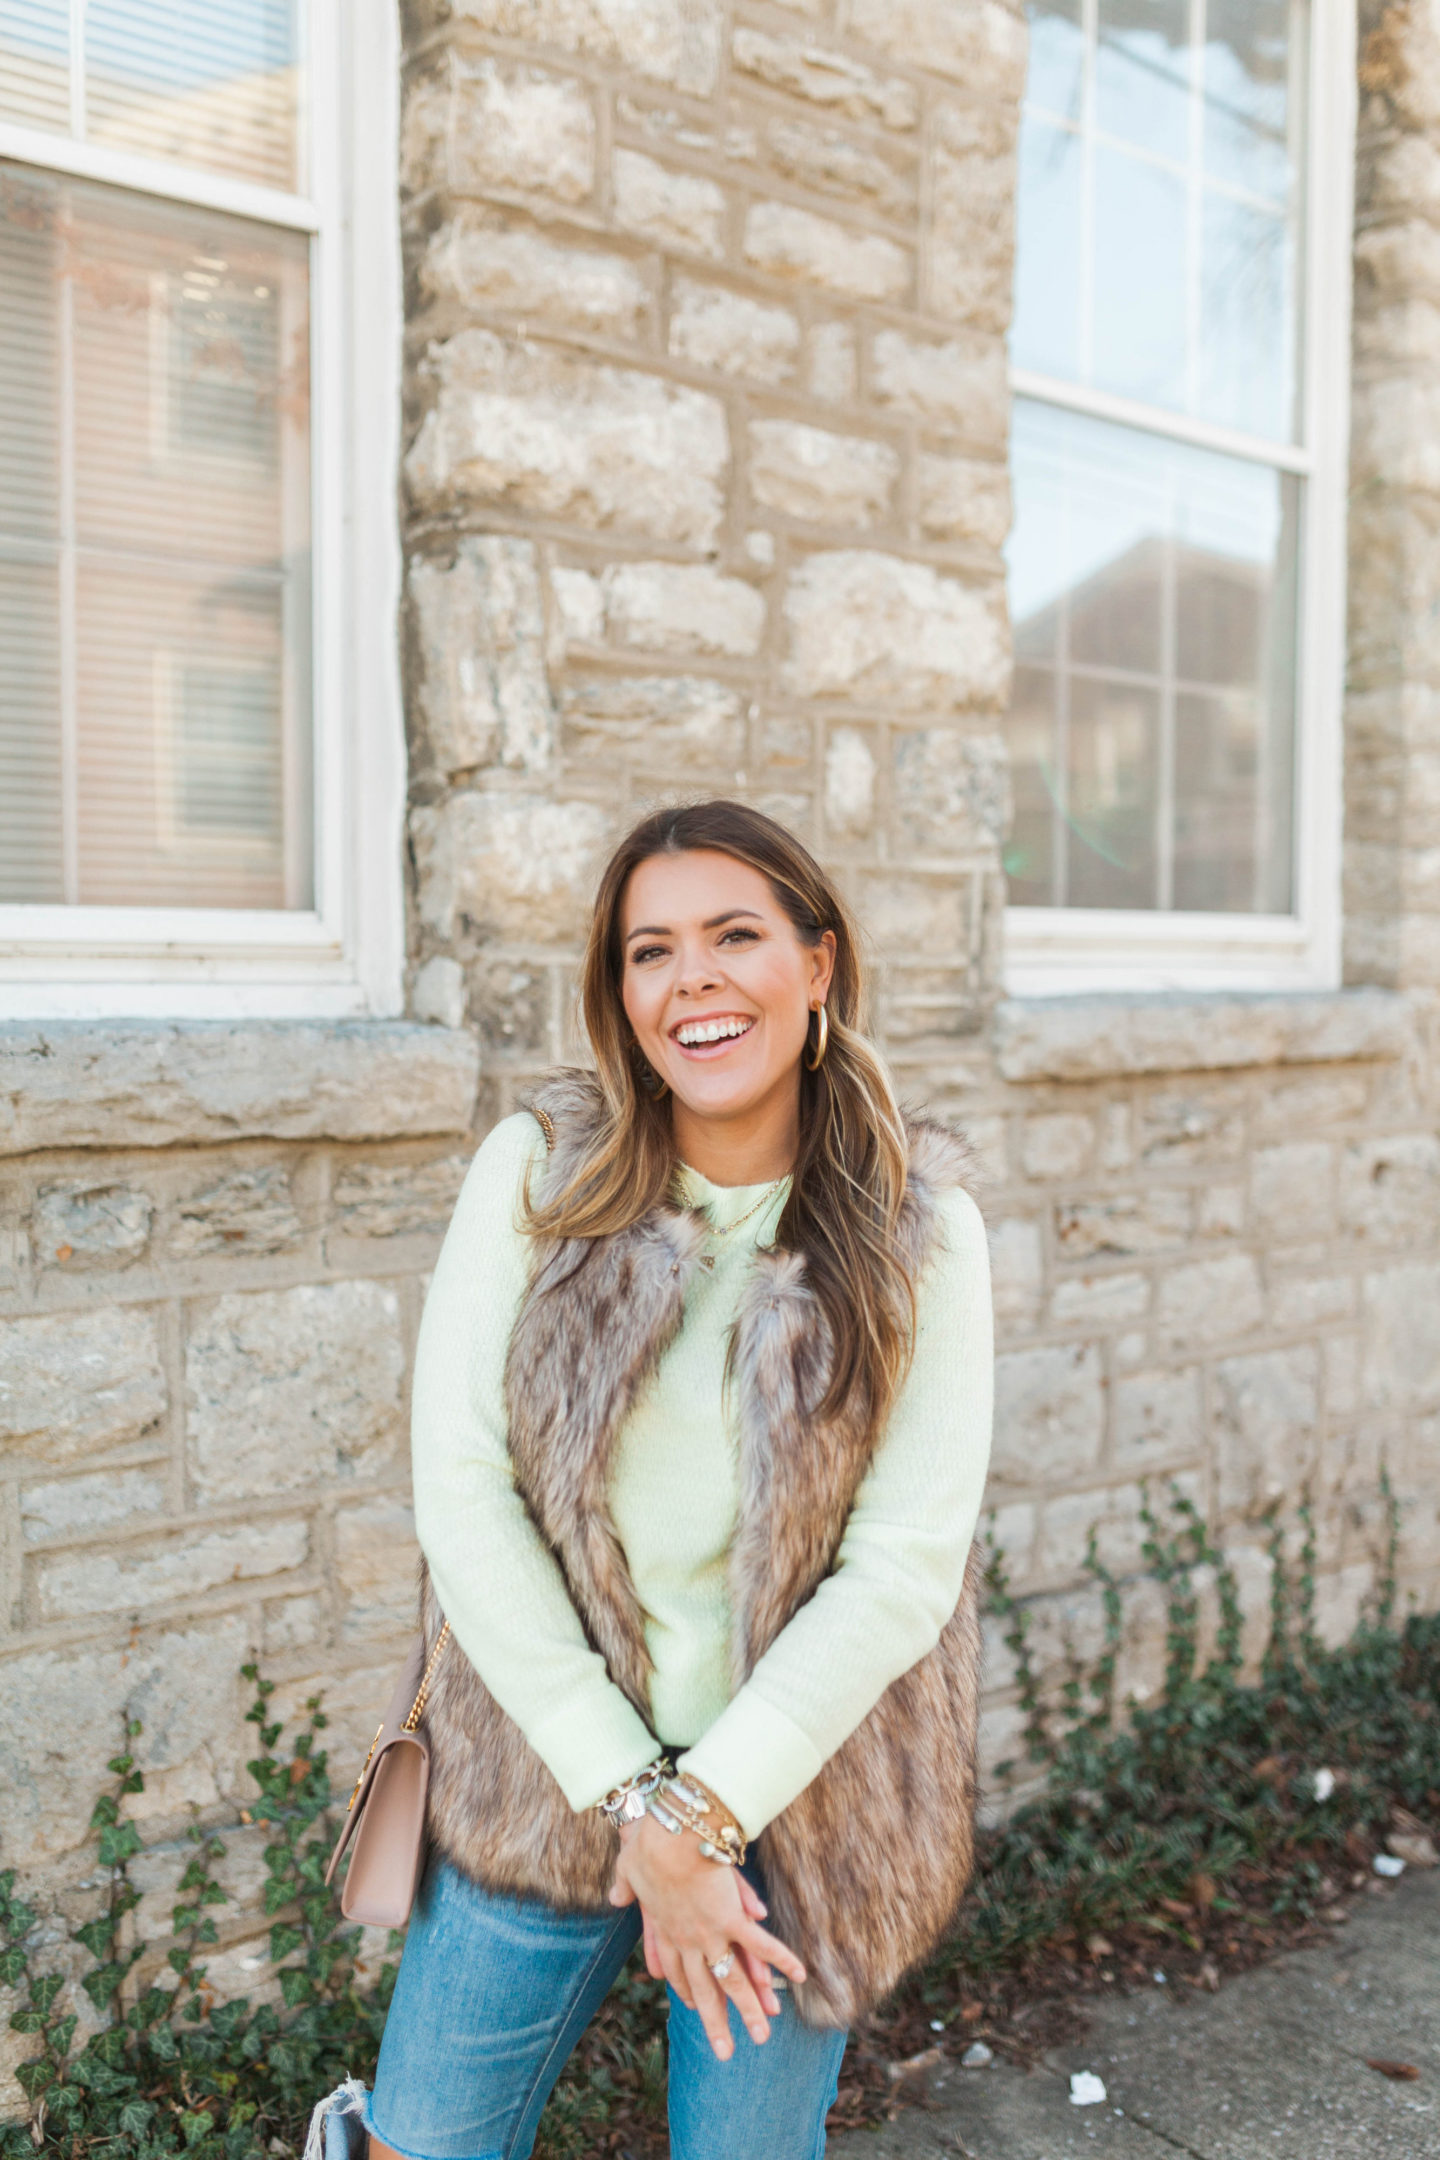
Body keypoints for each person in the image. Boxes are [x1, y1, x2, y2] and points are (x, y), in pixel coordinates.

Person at [315, 800, 993, 2160]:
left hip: (796, 1798)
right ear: (619, 996)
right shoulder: (541, 1176)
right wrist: (638, 1800)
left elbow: (901, 1570)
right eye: (650, 951)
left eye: (735, 936)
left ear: (819, 963)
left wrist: (705, 1815)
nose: (691, 982)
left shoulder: (922, 1230)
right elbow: (464, 1494)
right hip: (549, 1770)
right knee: (422, 2146)